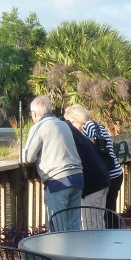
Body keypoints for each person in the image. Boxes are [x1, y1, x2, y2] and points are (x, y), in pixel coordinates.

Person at [23, 96, 83, 231]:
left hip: (58, 180)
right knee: (74, 228)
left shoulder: (39, 127)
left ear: (34, 113)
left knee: (57, 227)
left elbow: (28, 157)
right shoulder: (63, 124)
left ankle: (57, 246)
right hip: (77, 177)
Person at [65, 104, 124, 222]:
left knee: (106, 215)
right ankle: (112, 231)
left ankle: (112, 232)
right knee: (107, 213)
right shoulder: (97, 125)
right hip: (114, 173)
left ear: (76, 118)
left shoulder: (88, 126)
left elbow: (90, 152)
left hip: (107, 174)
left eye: (71, 122)